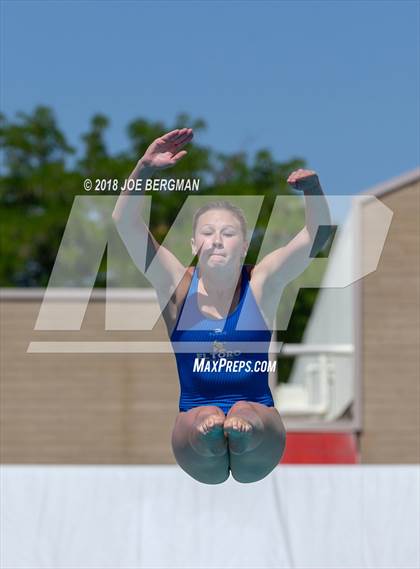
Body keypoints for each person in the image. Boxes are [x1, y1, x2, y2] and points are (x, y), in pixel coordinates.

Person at [112, 128, 331, 484]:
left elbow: (316, 234)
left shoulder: (261, 283)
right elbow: (126, 224)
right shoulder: (175, 283)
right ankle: (208, 431)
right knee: (206, 417)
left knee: (244, 413)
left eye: (227, 234)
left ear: (243, 246)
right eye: (208, 234)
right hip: (193, 417)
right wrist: (144, 169)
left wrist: (313, 191)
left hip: (259, 419)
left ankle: (242, 429)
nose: (216, 241)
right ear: (194, 243)